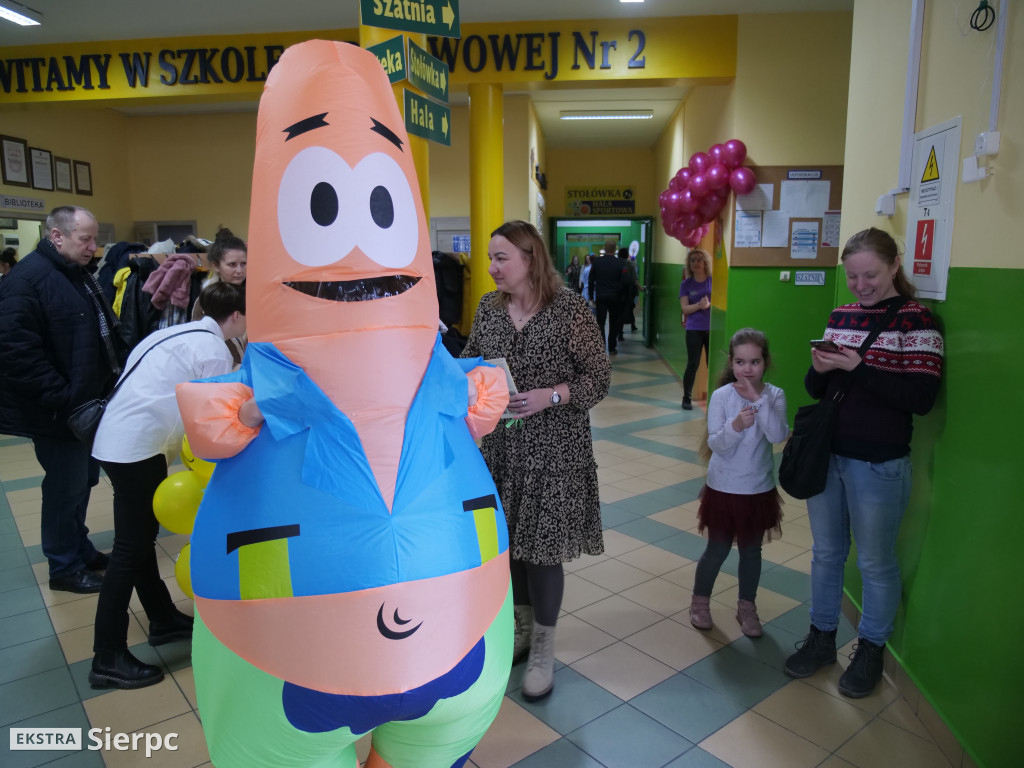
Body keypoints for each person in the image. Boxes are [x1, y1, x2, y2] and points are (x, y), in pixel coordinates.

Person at [784, 227, 943, 698]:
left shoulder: (918, 322)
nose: (860, 285)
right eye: (852, 276)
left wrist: (859, 367)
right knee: (826, 553)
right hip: (828, 455)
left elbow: (920, 399)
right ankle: (821, 638)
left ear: (894, 265)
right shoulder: (842, 315)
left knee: (874, 561)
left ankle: (871, 650)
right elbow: (817, 389)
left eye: (870, 274)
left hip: (879, 462)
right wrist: (820, 368)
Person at [462, 220, 610, 702]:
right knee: (510, 546)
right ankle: (521, 630)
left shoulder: (569, 310)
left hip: (555, 451)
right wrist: (471, 385)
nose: (492, 267)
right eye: (491, 257)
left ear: (530, 259)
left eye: (501, 258)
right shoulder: (488, 309)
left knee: (543, 552)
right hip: (503, 450)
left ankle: (544, 648)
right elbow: (471, 361)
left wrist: (552, 395)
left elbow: (599, 377)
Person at [88, 281, 246, 689]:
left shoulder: (174, 333)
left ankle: (160, 618)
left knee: (141, 539)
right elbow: (218, 419)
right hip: (136, 449)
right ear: (237, 316)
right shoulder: (212, 349)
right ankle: (107, 656)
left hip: (119, 441)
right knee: (129, 550)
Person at [0, 206, 125, 593]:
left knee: (83, 481)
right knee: (64, 486)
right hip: (58, 412)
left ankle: (79, 548)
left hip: (86, 404)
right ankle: (64, 567)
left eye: (95, 238)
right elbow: (16, 353)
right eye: (85, 238)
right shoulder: (27, 280)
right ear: (57, 236)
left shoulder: (74, 273)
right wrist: (63, 397)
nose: (93, 246)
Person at [690, 328, 787, 637]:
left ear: (765, 362)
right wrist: (735, 425)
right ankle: (700, 602)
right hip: (723, 488)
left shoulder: (775, 395)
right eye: (741, 362)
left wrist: (759, 401)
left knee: (751, 551)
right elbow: (717, 444)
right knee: (717, 549)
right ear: (731, 362)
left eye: (755, 362)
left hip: (757, 490)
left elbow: (777, 435)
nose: (747, 369)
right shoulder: (721, 396)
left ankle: (747, 607)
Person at [192, 227, 248, 365]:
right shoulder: (206, 300)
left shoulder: (255, 295)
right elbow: (199, 341)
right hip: (220, 367)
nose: (239, 270)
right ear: (216, 265)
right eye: (232, 265)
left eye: (243, 264)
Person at [679, 248, 713, 409]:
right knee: (693, 364)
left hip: (713, 329)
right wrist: (699, 305)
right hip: (694, 329)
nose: (696, 263)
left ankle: (715, 397)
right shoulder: (686, 284)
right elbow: (685, 309)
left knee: (712, 363)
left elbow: (721, 301)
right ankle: (686, 397)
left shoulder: (713, 281)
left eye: (699, 259)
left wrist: (709, 304)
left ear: (705, 262)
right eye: (692, 260)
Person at [588, 239, 624, 354]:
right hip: (615, 297)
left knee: (600, 322)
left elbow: (591, 280)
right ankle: (612, 347)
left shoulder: (597, 262)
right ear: (615, 249)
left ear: (604, 248)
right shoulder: (620, 263)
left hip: (601, 296)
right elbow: (623, 281)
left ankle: (601, 345)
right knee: (614, 322)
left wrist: (591, 296)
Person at [617, 247, 639, 339]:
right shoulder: (630, 264)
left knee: (617, 312)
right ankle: (623, 331)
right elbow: (635, 279)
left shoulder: (616, 263)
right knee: (627, 310)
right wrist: (640, 288)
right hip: (627, 292)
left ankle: (618, 332)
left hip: (616, 292)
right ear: (626, 255)